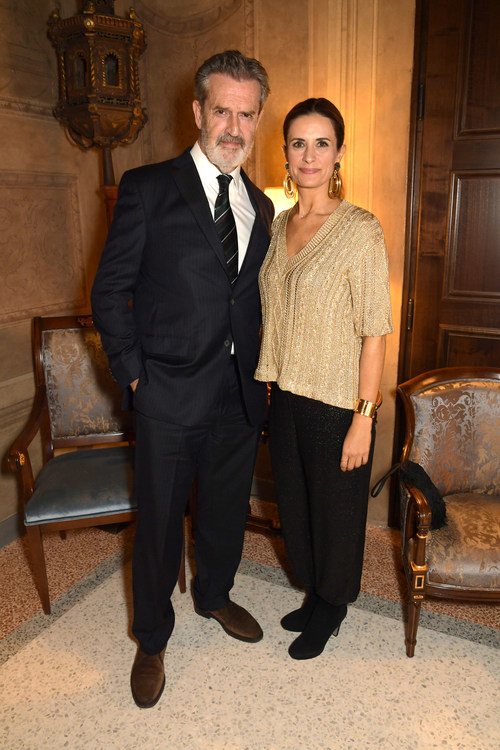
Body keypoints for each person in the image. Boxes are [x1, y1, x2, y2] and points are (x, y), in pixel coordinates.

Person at [91, 50, 273, 708]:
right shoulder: (147, 187)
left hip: (238, 391)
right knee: (163, 520)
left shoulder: (260, 205)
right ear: (197, 112)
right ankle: (151, 637)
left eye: (246, 113)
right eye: (221, 109)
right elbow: (109, 292)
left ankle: (216, 595)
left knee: (225, 509)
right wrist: (134, 377)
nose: (233, 125)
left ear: (259, 120)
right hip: (166, 389)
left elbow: (245, 300)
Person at [254, 98, 393, 660]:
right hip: (283, 397)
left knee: (337, 513)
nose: (308, 155)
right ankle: (314, 592)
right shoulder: (278, 224)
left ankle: (333, 604)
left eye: (321, 143)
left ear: (338, 153)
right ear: (284, 152)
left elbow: (376, 333)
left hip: (338, 404)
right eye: (297, 143)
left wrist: (364, 419)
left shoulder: (360, 229)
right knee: (296, 506)